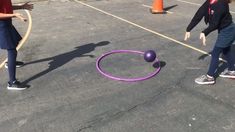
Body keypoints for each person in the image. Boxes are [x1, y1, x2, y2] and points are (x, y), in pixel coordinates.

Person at [184, 0, 235, 85]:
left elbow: (215, 23)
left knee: (215, 53)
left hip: (228, 31)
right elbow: (199, 13)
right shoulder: (210, 1)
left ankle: (209, 77)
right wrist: (189, 29)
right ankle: (232, 71)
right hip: (224, 30)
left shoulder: (221, 4)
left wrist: (204, 32)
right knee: (226, 50)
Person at [0, 1, 33, 90]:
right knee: (12, 50)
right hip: (2, 25)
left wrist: (22, 6)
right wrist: (14, 15)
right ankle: (12, 83)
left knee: (14, 43)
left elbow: (6, 8)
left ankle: (10, 63)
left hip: (7, 23)